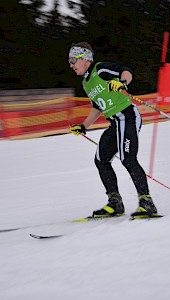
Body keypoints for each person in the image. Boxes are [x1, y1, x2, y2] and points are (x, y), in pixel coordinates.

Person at [68, 42, 158, 218]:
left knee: (128, 158)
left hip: (127, 116)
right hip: (115, 123)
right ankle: (115, 203)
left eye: (73, 60)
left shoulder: (100, 69)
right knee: (101, 159)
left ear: (85, 58)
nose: (71, 65)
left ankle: (146, 202)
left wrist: (122, 82)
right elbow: (97, 107)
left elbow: (126, 71)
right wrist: (84, 126)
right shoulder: (86, 82)